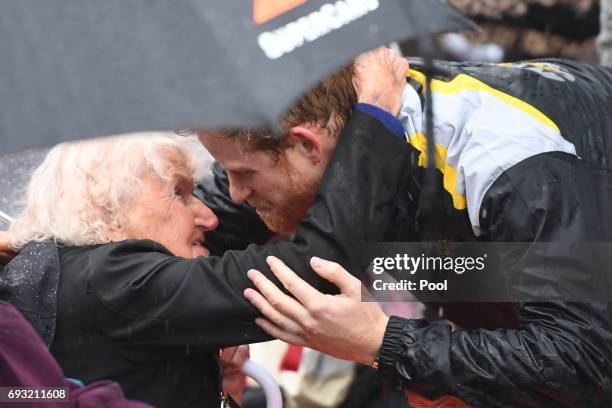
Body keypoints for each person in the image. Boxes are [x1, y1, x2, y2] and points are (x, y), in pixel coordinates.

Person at [0, 49, 413, 408]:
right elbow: (311, 269)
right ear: (107, 207)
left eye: (243, 174)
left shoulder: (60, 273)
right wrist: (376, 118)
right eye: (179, 193)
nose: (214, 212)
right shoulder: (110, 278)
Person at [198, 55, 612, 406]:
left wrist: (384, 342)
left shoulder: (506, 165)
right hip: (506, 251)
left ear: (307, 146)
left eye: (242, 175)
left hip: (577, 226)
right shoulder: (321, 125)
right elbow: (195, 227)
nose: (234, 193)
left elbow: (583, 359)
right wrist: (206, 325)